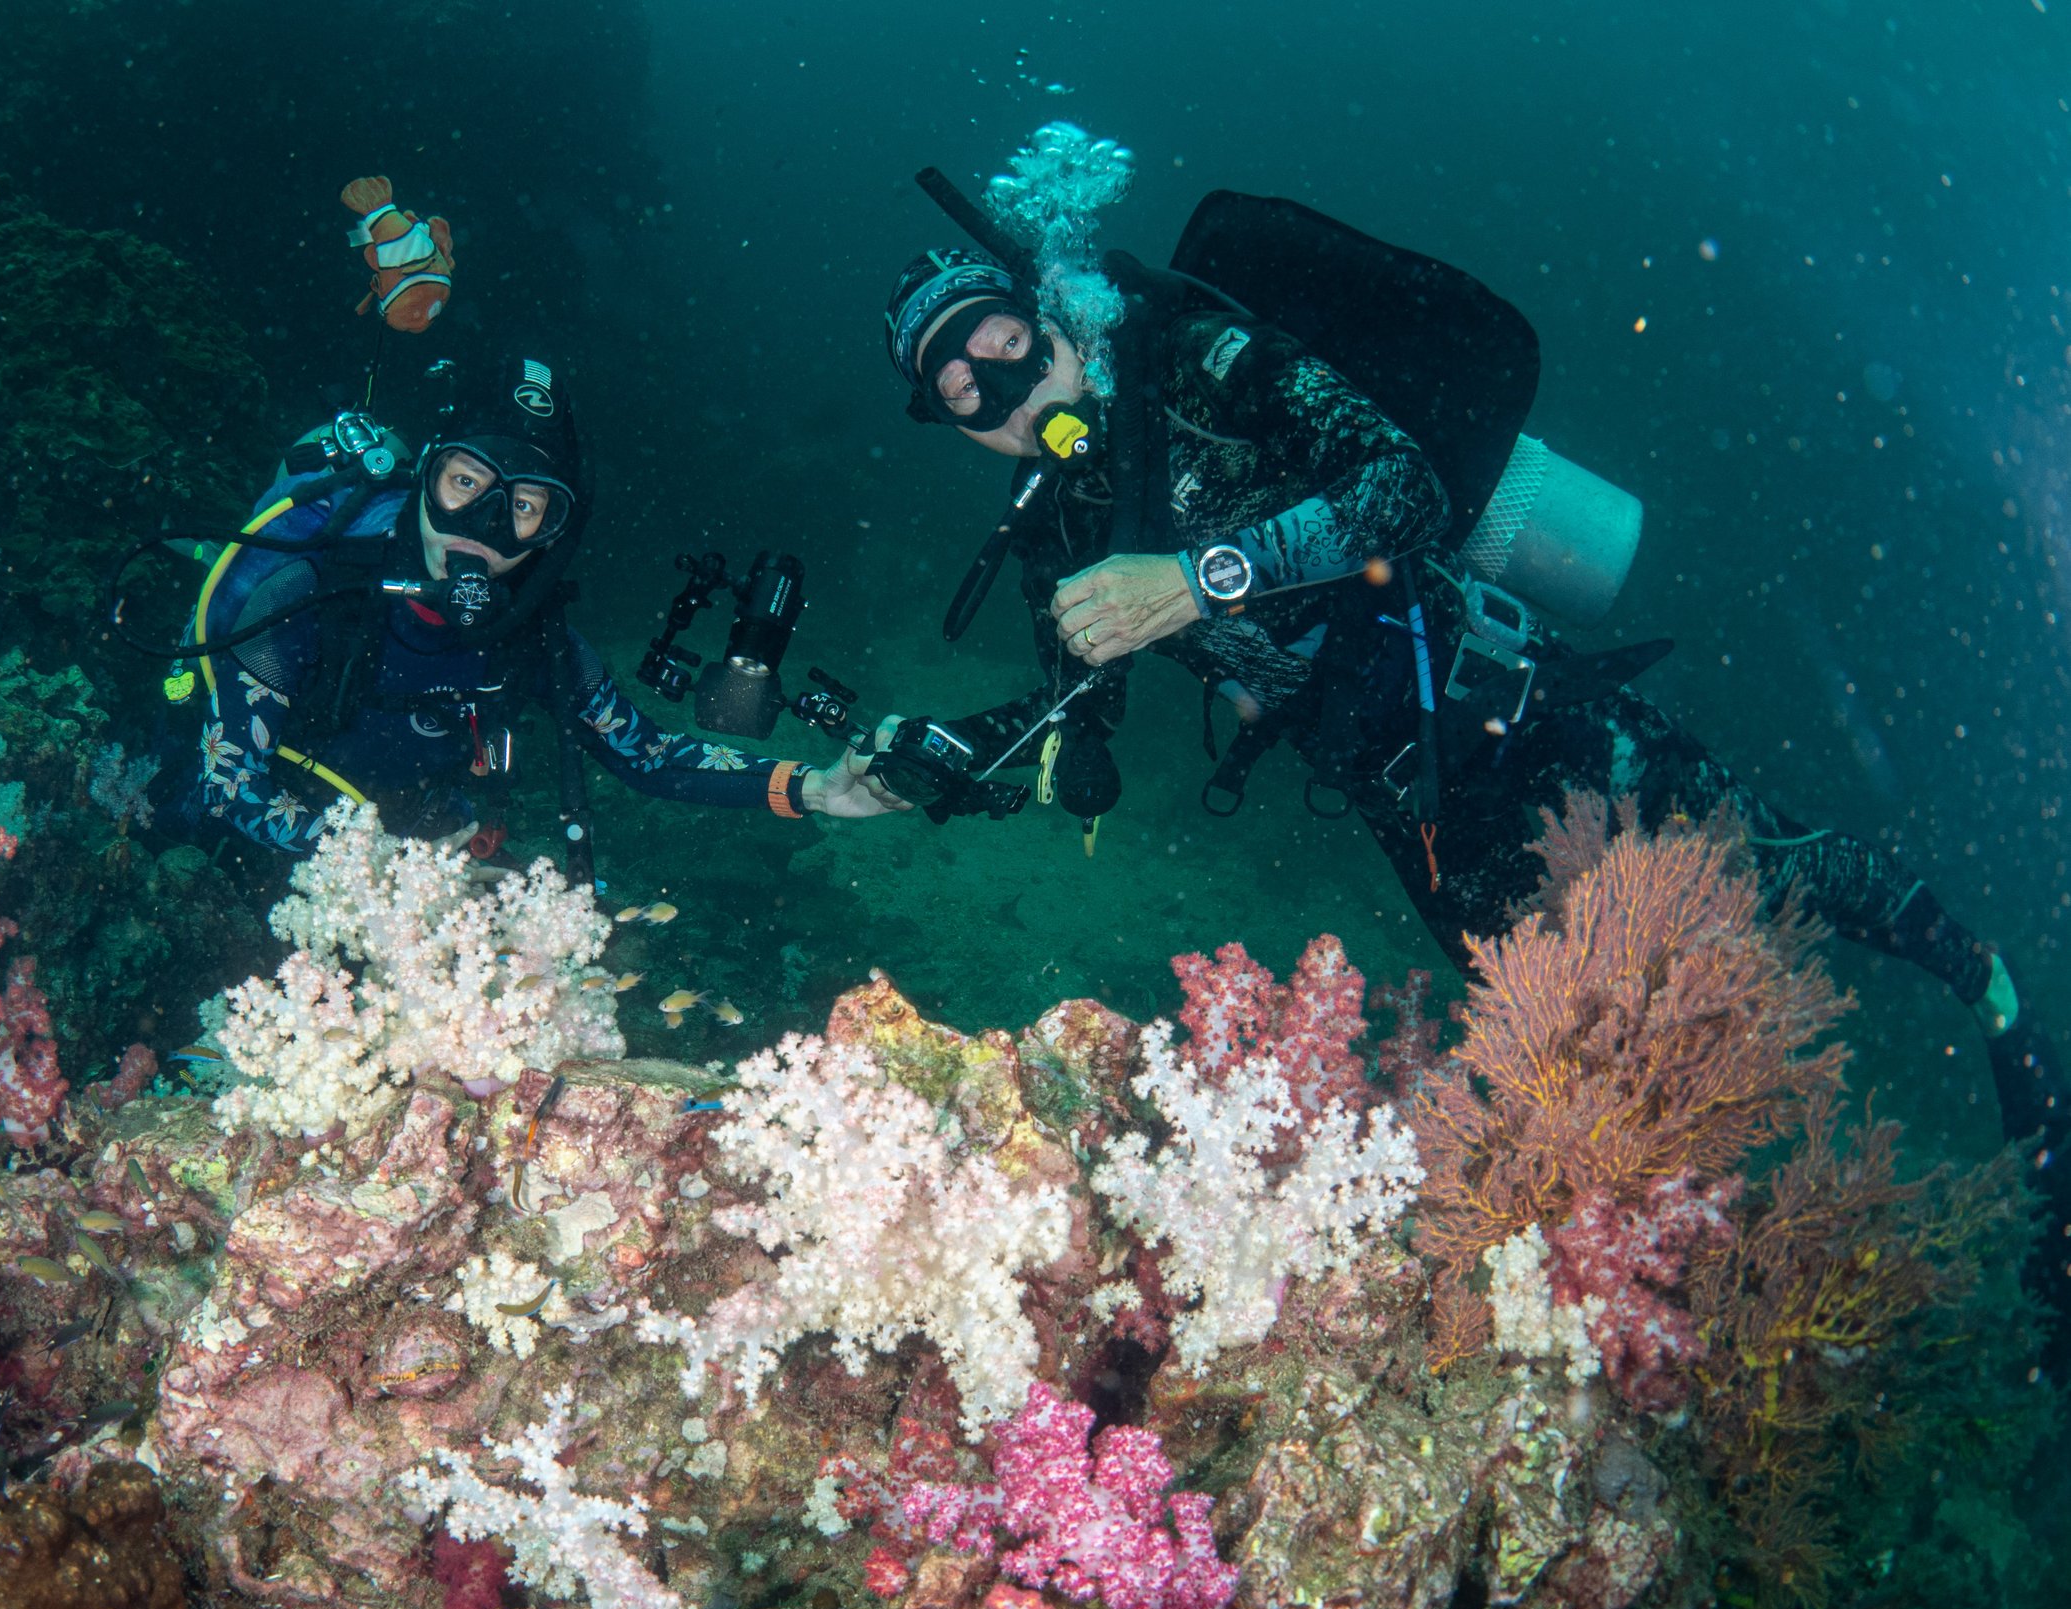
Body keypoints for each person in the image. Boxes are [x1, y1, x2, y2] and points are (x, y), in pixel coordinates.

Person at [878, 240, 2071, 1286]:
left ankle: (1985, 983)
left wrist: (1194, 582)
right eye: (962, 388)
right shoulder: (1053, 527)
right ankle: (1687, 1251)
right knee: (1554, 1042)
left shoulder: (1201, 366)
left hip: (1517, 700)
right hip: (1412, 805)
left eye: (1006, 344)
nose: (1003, 388)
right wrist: (1003, 752)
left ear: (1049, 320)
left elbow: (1402, 487)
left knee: (1754, 857)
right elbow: (1076, 683)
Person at [169, 353, 900, 866]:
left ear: (552, 535)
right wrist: (380, 867)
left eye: (522, 507)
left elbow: (647, 755)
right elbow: (230, 782)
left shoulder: (537, 643)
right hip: (245, 845)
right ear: (426, 477)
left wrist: (818, 788)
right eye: (465, 483)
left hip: (413, 842)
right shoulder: (306, 593)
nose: (481, 528)